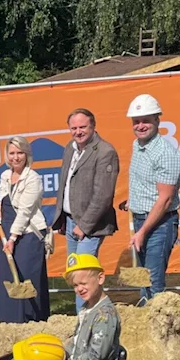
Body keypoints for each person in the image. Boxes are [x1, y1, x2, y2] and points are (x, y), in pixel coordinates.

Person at [51, 108, 119, 311]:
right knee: (75, 274)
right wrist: (62, 218)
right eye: (74, 128)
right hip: (71, 221)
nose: (78, 131)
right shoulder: (70, 149)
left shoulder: (106, 152)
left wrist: (84, 225)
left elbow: (103, 195)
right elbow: (65, 185)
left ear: (93, 126)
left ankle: (89, 318)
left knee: (84, 276)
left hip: (91, 226)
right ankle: (83, 317)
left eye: (82, 127)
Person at [120, 95, 180, 304]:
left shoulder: (165, 154)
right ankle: (145, 322)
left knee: (154, 281)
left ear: (157, 120)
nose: (140, 126)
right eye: (136, 121)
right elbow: (144, 182)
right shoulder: (137, 145)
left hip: (160, 225)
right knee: (143, 279)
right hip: (141, 219)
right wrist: (134, 201)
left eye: (146, 120)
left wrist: (142, 232)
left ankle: (159, 328)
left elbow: (165, 200)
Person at [0, 136, 51, 322]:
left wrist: (12, 238)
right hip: (8, 230)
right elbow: (6, 202)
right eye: (12, 153)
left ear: (26, 155)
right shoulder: (4, 176)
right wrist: (0, 216)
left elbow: (25, 212)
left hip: (27, 234)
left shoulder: (33, 178)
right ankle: (8, 321)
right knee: (8, 275)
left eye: (20, 153)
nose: (16, 157)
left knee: (27, 277)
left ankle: (31, 320)